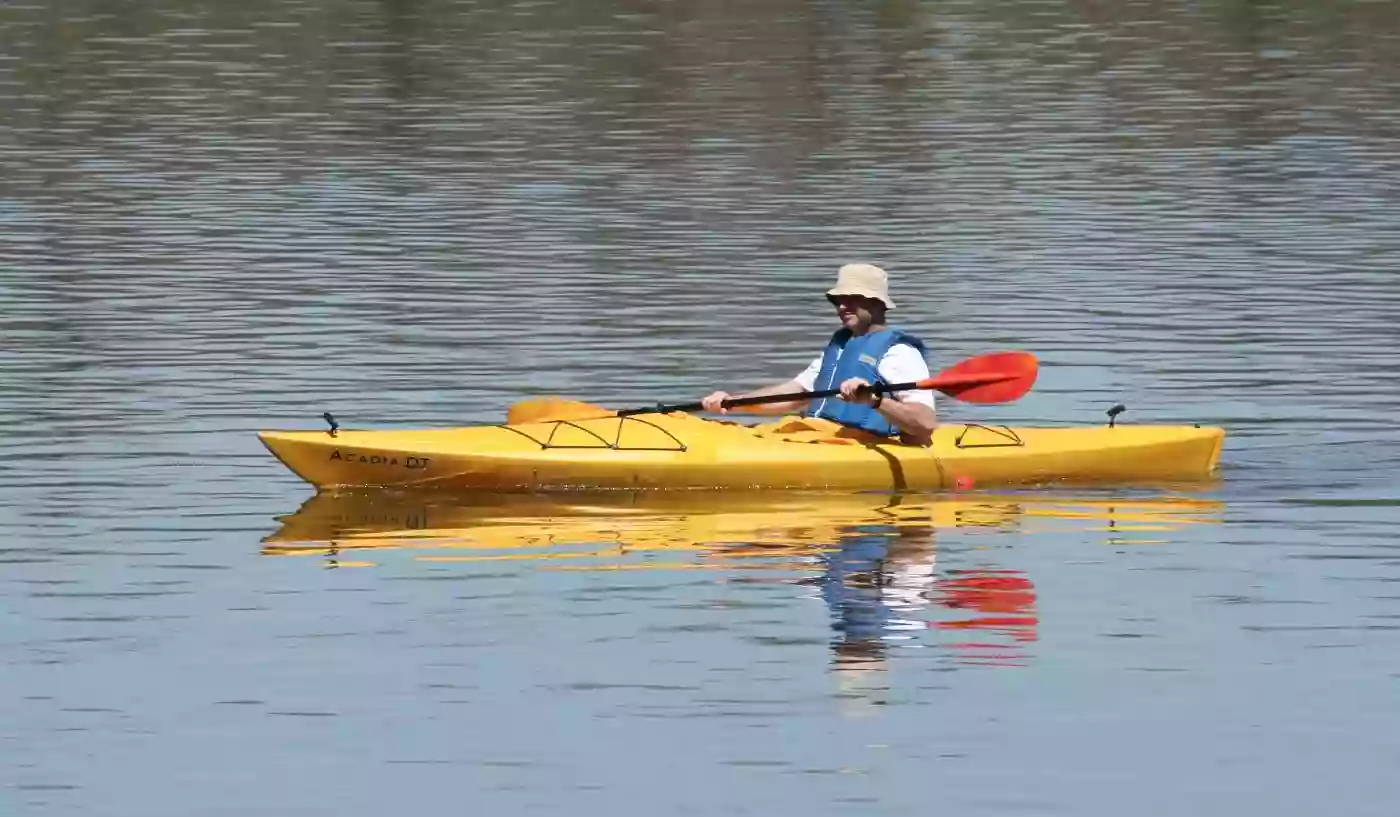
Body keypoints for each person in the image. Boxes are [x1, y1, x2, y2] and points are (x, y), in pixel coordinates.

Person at [700, 263, 938, 446]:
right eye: (837, 300)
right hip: (816, 435)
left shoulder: (900, 352)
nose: (841, 306)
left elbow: (925, 424)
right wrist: (733, 402)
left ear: (876, 303)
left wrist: (875, 400)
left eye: (852, 298)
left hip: (856, 445)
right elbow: (795, 393)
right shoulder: (842, 344)